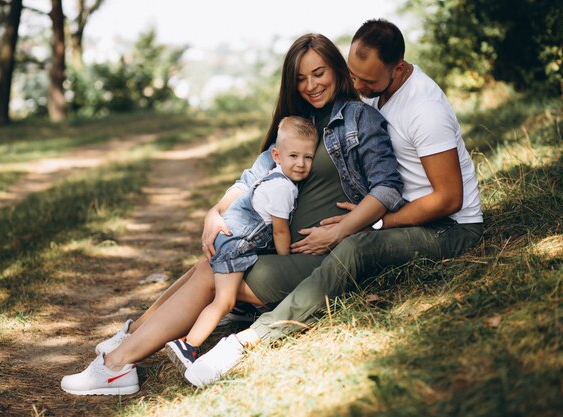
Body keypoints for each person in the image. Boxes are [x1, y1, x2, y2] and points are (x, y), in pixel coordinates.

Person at [60, 32, 404, 396]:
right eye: (300, 78)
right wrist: (215, 211)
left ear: (336, 69)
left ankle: (116, 366)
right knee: (208, 261)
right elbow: (252, 178)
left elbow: (388, 187)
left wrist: (342, 230)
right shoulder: (298, 122)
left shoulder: (360, 119)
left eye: (318, 73)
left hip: (322, 257)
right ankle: (127, 341)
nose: (310, 85)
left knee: (213, 270)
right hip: (281, 248)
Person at [183, 19, 484, 388]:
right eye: (353, 76)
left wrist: (371, 223)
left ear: (400, 68)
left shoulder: (425, 109)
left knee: (356, 245)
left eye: (368, 82)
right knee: (221, 263)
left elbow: (449, 199)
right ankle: (136, 337)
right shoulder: (377, 90)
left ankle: (251, 338)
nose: (358, 87)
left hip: (451, 229)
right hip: (407, 216)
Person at [164, 116, 317, 371]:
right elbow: (280, 232)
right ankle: (187, 345)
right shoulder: (282, 188)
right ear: (277, 155)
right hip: (236, 245)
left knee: (226, 298)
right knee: (224, 300)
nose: (300, 164)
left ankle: (192, 337)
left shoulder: (275, 176)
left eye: (308, 157)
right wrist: (285, 261)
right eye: (293, 156)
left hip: (234, 240)